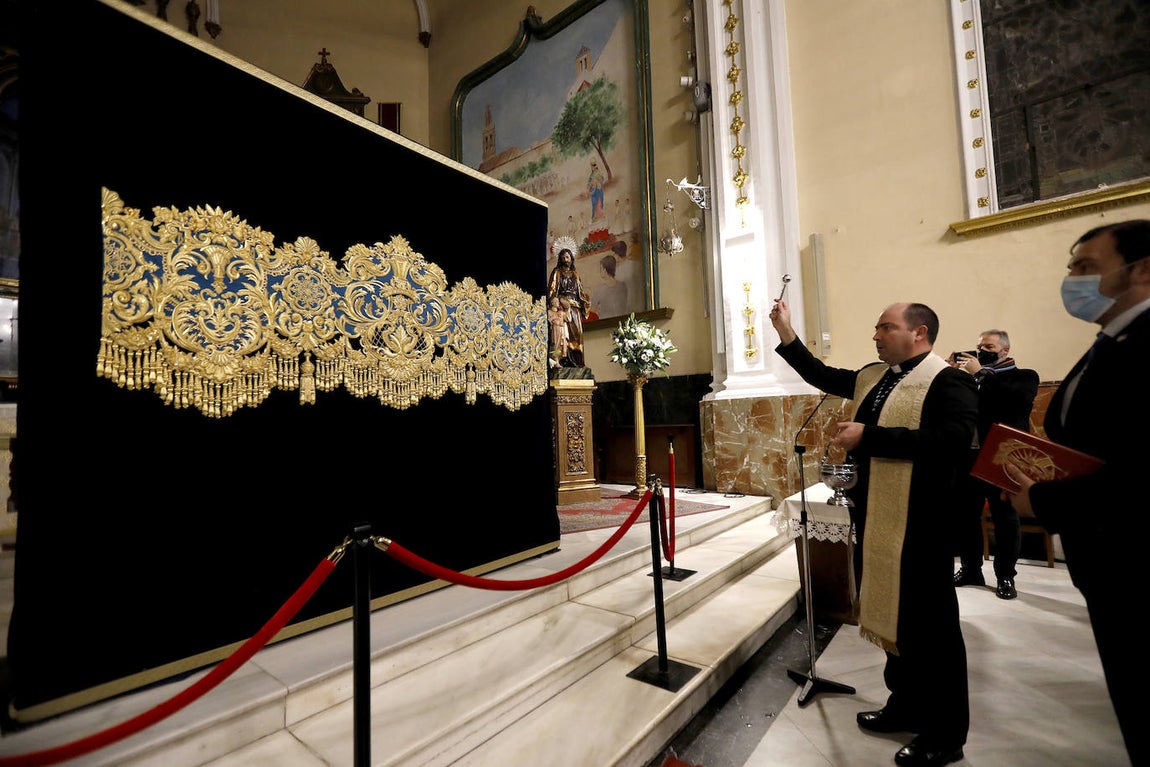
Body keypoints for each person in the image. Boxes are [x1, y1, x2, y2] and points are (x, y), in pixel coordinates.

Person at [770, 299, 977, 767]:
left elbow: (951, 442)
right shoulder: (874, 377)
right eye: (877, 328)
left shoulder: (950, 381)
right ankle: (905, 705)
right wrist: (785, 330)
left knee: (933, 630)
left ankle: (945, 733)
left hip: (922, 522)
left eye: (886, 327)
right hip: (877, 517)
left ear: (919, 333)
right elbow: (821, 374)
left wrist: (871, 438)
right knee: (892, 616)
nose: (877, 335)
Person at [1003, 219, 1150, 767]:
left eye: (1086, 268)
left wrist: (1044, 502)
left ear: (1142, 269)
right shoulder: (1109, 343)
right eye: (1071, 268)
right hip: (1110, 556)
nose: (1072, 280)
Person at [948, 330, 1039, 599]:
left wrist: (981, 375)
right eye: (979, 346)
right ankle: (970, 569)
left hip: (1002, 459)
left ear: (1005, 351)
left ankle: (1005, 576)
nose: (982, 351)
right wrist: (948, 373)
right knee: (966, 516)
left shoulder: (1025, 377)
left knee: (1005, 517)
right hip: (968, 456)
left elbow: (1016, 405)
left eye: (988, 346)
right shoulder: (969, 379)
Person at [547, 247, 588, 368]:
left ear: (571, 258)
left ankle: (578, 361)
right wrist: (559, 301)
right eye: (563, 257)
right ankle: (562, 360)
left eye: (567, 257)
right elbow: (552, 291)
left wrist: (585, 303)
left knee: (578, 335)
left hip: (574, 309)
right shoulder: (557, 272)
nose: (566, 259)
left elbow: (580, 292)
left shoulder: (575, 274)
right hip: (562, 309)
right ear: (560, 259)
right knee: (562, 336)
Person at [547, 296, 569, 365]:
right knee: (555, 344)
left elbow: (568, 319)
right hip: (555, 329)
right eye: (556, 301)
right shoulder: (549, 312)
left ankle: (558, 359)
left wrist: (567, 308)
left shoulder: (561, 312)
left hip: (561, 329)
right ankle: (555, 359)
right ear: (552, 303)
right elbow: (549, 320)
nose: (558, 303)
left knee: (561, 345)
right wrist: (555, 317)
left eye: (558, 301)